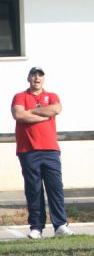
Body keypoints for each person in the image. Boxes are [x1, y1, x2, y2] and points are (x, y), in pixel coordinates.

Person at [11, 67, 74, 240]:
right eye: (33, 75)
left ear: (43, 79)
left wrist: (29, 112)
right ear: (28, 78)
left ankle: (60, 225)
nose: (36, 78)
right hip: (28, 150)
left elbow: (55, 109)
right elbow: (18, 114)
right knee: (34, 189)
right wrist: (41, 114)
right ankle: (36, 227)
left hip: (50, 150)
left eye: (39, 75)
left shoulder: (52, 96)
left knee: (55, 188)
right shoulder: (20, 96)